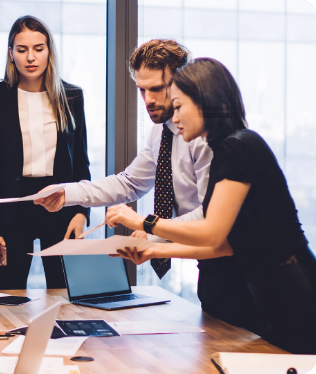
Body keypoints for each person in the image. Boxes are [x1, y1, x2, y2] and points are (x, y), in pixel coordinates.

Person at [34, 39, 259, 333]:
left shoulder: (209, 138)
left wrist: (151, 229)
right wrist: (68, 193)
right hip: (208, 263)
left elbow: (212, 217)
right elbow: (129, 182)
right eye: (142, 89)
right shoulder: (160, 133)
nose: (148, 99)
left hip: (240, 266)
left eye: (157, 89)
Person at [106, 57, 316, 354]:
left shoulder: (238, 146)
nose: (174, 117)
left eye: (179, 107)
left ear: (205, 101)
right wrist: (154, 250)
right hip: (269, 293)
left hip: (293, 291)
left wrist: (143, 223)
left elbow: (212, 234)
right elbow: (225, 246)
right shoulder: (226, 150)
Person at [0, 15, 91, 290]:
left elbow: (81, 161)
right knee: (8, 297)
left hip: (61, 205)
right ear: (11, 53)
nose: (31, 57)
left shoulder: (72, 96)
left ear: (49, 51)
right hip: (11, 209)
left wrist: (82, 212)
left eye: (38, 48)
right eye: (22, 49)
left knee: (66, 296)